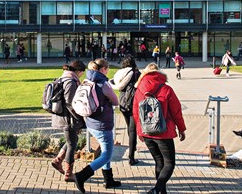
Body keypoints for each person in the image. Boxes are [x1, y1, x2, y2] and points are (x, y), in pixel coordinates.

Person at [133, 63, 186, 194]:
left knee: (158, 161)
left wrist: (140, 131)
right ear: (159, 74)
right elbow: (176, 111)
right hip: (164, 132)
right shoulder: (166, 89)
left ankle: (161, 191)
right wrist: (182, 129)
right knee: (169, 164)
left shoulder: (139, 90)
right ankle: (157, 190)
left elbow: (135, 113)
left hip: (147, 132)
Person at [74, 58, 121, 192]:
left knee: (106, 150)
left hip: (90, 123)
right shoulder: (103, 83)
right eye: (107, 70)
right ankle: (81, 176)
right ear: (103, 69)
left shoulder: (87, 80)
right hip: (102, 124)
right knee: (106, 154)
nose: (108, 72)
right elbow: (116, 101)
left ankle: (108, 180)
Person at [51, 60, 86, 183]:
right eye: (82, 73)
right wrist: (80, 118)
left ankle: (58, 160)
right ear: (77, 71)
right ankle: (68, 173)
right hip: (68, 119)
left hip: (62, 116)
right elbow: (71, 103)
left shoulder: (63, 78)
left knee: (71, 140)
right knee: (72, 144)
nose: (82, 75)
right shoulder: (70, 81)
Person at [109, 55, 141, 165]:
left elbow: (115, 84)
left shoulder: (119, 73)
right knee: (133, 130)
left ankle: (133, 147)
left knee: (129, 127)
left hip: (122, 103)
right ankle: (131, 156)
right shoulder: (136, 73)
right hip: (133, 103)